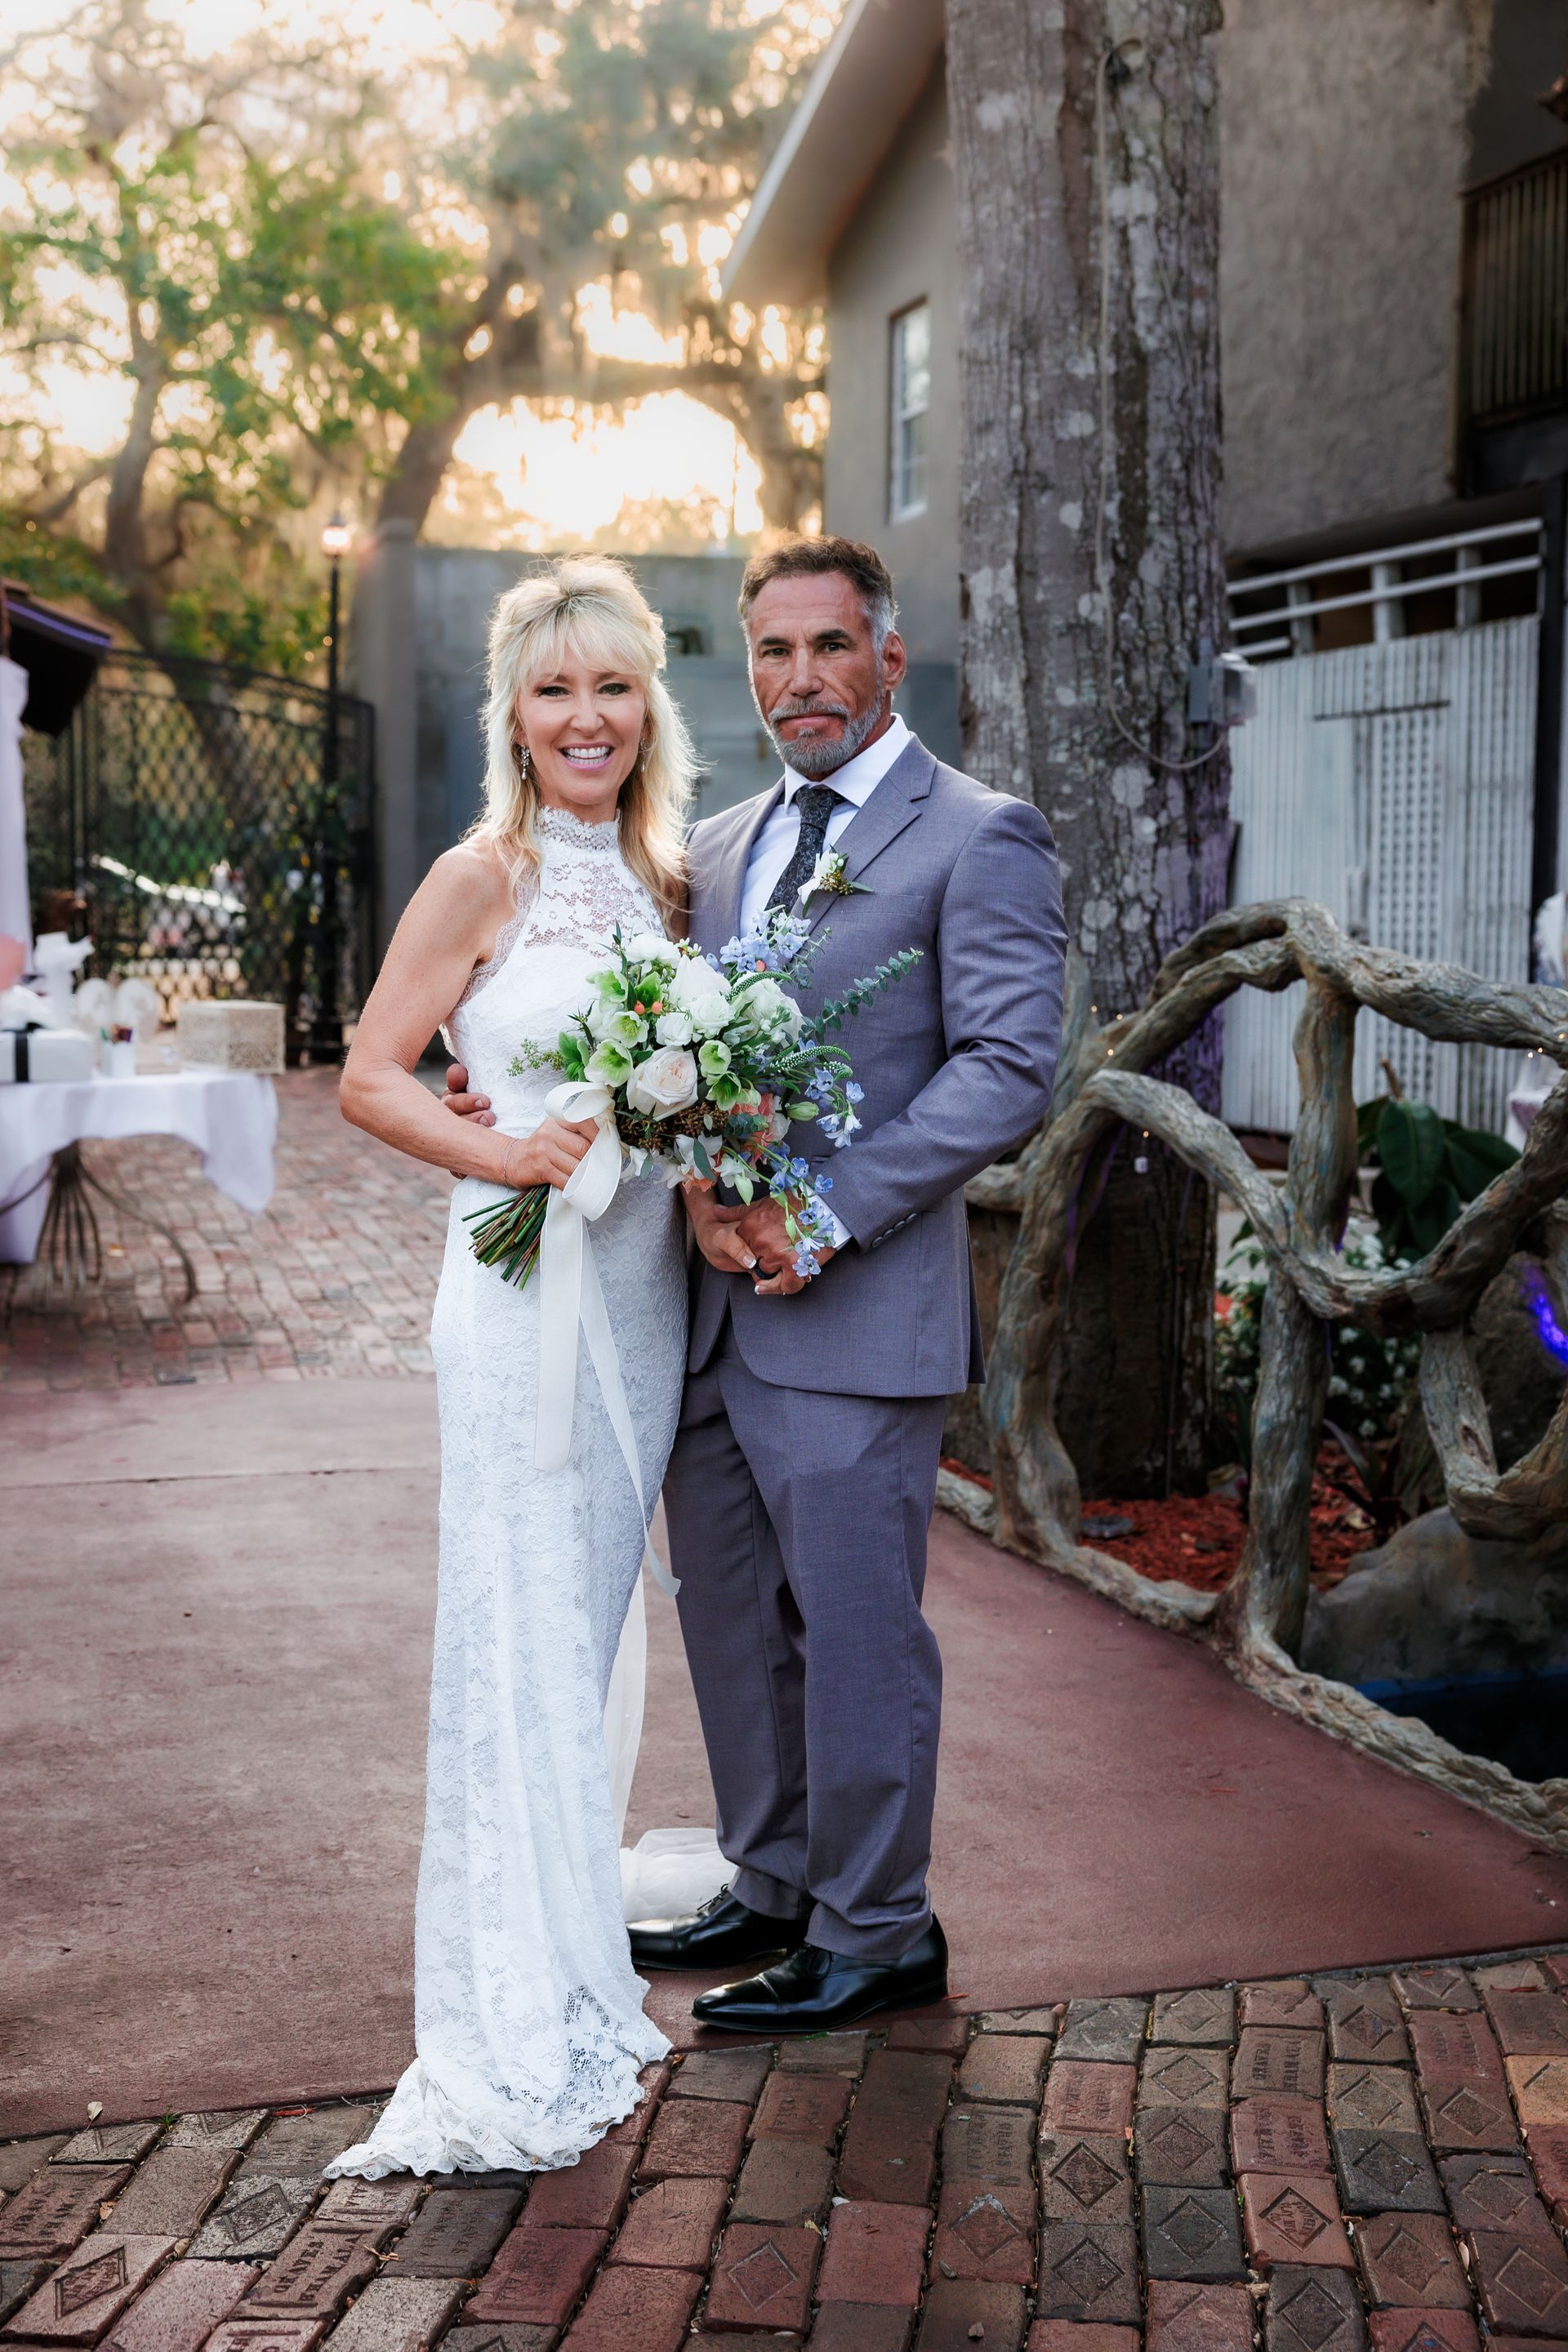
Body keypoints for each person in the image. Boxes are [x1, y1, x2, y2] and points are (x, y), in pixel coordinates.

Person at [446, 537, 1068, 2034]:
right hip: (705, 1311)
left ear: (888, 658)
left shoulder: (979, 836)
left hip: (854, 1314)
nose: (802, 680)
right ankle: (776, 1875)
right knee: (729, 1613)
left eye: (830, 649)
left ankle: (877, 1926)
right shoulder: (711, 851)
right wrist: (504, 1093)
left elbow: (1008, 1069)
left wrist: (826, 1215)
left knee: (857, 1630)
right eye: (773, 654)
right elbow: (634, 1041)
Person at [321, 555, 746, 2179]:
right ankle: (508, 2006)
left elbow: (694, 1086)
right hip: (519, 1301)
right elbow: (372, 1078)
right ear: (515, 709)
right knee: (516, 1631)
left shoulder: (668, 882)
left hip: (640, 1301)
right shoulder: (478, 876)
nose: (588, 717)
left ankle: (579, 1959)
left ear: (651, 705)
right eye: (558, 688)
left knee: (584, 1629)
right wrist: (511, 1163)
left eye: (615, 686)